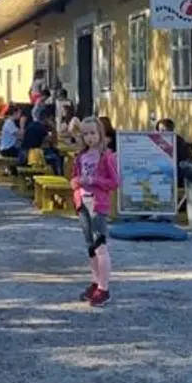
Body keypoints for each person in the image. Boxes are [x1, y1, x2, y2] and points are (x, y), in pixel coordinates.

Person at [71, 117, 120, 307]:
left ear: (100, 134)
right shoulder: (81, 156)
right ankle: (95, 281)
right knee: (90, 246)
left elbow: (114, 182)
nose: (89, 137)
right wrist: (75, 183)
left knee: (100, 245)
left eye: (93, 133)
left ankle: (104, 287)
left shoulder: (106, 156)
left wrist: (93, 181)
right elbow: (75, 177)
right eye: (85, 134)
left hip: (98, 203)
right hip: (82, 202)